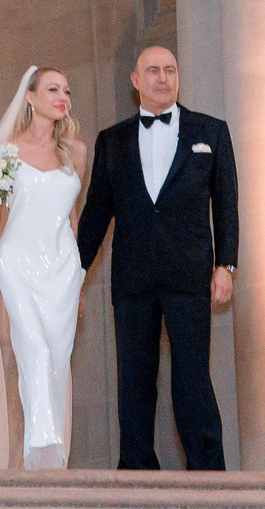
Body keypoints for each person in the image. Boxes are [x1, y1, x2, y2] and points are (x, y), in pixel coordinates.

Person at [75, 46, 237, 470]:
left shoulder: (212, 131)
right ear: (135, 80)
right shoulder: (112, 141)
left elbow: (227, 204)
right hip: (132, 277)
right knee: (133, 378)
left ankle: (209, 475)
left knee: (192, 378)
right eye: (153, 71)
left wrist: (226, 264)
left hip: (190, 273)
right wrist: (73, 276)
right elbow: (95, 215)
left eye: (169, 70)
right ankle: (136, 472)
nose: (162, 78)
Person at [0, 65, 86, 469]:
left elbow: (72, 216)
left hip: (63, 268)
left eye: (67, 91)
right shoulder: (8, 152)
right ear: (31, 97)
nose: (62, 97)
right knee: (32, 347)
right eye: (53, 89)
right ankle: (44, 448)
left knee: (55, 358)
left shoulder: (77, 152)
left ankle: (44, 453)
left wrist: (81, 282)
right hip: (17, 260)